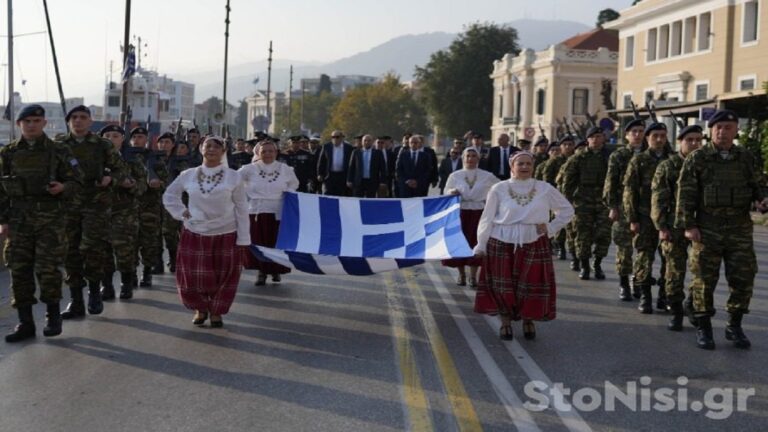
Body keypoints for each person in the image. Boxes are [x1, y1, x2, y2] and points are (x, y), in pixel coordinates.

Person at [676, 110, 768, 350]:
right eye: (718, 127)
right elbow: (685, 194)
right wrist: (689, 225)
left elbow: (758, 185)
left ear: (736, 130)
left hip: (740, 229)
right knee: (704, 280)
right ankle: (704, 327)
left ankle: (734, 325)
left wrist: (762, 200)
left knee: (743, 277)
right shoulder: (698, 159)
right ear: (711, 130)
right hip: (708, 229)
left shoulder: (746, 158)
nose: (722, 132)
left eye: (728, 127)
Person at [1, 105, 83, 342]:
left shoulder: (59, 151)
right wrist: (3, 220)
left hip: (50, 220)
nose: (32, 125)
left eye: (36, 120)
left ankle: (52, 317)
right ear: (19, 125)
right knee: (19, 270)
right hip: (19, 221)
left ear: (44, 123)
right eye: (27, 121)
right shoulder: (7, 153)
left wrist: (63, 187)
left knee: (48, 269)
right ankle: (25, 323)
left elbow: (78, 182)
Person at [474, 151, 573, 340]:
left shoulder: (544, 188)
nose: (525, 167)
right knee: (504, 286)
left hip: (534, 242)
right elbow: (486, 218)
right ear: (512, 166)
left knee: (530, 285)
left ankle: (529, 319)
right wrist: (481, 244)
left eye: (528, 164)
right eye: (521, 164)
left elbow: (567, 210)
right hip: (502, 242)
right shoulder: (499, 188)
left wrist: (551, 227)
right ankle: (506, 323)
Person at [163, 136, 250, 328]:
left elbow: (242, 208)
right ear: (201, 149)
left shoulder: (233, 176)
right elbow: (170, 195)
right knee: (194, 275)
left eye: (216, 147)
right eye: (207, 146)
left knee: (223, 274)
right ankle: (200, 308)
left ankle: (217, 311)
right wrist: (181, 212)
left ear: (223, 151)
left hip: (226, 232)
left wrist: (244, 238)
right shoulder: (188, 174)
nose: (211, 149)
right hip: (195, 230)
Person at [59, 105, 126, 320]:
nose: (78, 121)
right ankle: (76, 299)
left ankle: (94, 292)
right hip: (68, 205)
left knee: (92, 249)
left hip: (96, 205)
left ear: (90, 122)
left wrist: (111, 179)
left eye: (83, 117)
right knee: (71, 252)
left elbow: (120, 169)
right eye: (74, 117)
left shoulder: (102, 145)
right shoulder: (59, 145)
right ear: (69, 121)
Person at [651, 124, 702, 331]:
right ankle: (676, 311)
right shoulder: (668, 166)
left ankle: (692, 303)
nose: (694, 144)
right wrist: (661, 226)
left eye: (698, 140)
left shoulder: (706, 163)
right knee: (674, 270)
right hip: (673, 226)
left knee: (701, 270)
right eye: (690, 140)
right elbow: (658, 198)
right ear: (681, 141)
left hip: (701, 225)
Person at [623, 121, 672, 314]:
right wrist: (632, 218)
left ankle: (664, 295)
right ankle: (645, 296)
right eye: (655, 136)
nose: (659, 139)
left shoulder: (672, 159)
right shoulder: (639, 160)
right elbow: (630, 191)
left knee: (669, 259)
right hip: (644, 216)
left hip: (668, 216)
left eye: (662, 136)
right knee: (644, 257)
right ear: (648, 138)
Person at [239, 140, 299, 285]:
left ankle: (276, 269)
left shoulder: (284, 169)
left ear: (276, 152)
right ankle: (262, 271)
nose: (267, 154)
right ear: (258, 153)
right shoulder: (249, 169)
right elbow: (234, 180)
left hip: (278, 211)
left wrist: (288, 194)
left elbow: (294, 183)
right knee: (260, 242)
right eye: (264, 151)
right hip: (257, 210)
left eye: (270, 151)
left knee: (276, 242)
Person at [101, 124, 147, 300]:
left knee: (124, 250)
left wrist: (132, 185)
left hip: (124, 211)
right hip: (101, 211)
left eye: (115, 136)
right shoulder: (97, 158)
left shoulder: (133, 159)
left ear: (122, 139)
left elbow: (143, 185)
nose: (111, 139)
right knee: (103, 251)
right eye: (107, 135)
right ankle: (106, 286)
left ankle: (126, 283)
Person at [441, 148, 498, 287]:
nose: (470, 159)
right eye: (467, 156)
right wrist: (451, 192)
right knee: (461, 243)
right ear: (463, 158)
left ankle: (473, 276)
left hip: (479, 212)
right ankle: (461, 275)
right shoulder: (455, 175)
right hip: (460, 213)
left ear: (478, 159)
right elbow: (445, 191)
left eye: (473, 156)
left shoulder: (487, 176)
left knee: (476, 243)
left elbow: (500, 189)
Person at [603, 116, 646, 301]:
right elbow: (610, 183)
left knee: (644, 249)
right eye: (633, 132)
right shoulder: (618, 156)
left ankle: (637, 281)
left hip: (646, 207)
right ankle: (623, 283)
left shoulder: (652, 154)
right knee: (624, 247)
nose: (637, 135)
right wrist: (612, 206)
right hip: (623, 206)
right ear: (627, 135)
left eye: (641, 132)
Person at [561, 127, 611, 280]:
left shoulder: (609, 157)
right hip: (583, 201)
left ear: (603, 138)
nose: (595, 139)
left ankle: (597, 263)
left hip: (604, 201)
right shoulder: (578, 158)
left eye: (599, 136)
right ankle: (584, 265)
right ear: (587, 139)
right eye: (592, 137)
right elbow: (567, 182)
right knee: (582, 234)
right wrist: (567, 202)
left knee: (604, 235)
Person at [130, 127, 169, 288]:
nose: (138, 140)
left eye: (141, 137)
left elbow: (166, 182)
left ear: (146, 140)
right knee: (129, 243)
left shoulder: (154, 159)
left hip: (150, 207)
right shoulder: (125, 158)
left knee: (148, 242)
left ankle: (147, 272)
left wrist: (158, 183)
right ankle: (130, 274)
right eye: (135, 137)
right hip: (129, 207)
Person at [316, 130, 354, 196]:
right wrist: (319, 174)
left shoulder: (349, 148)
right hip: (330, 176)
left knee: (342, 195)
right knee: (328, 195)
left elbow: (352, 163)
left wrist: (350, 178)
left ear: (342, 138)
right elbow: (321, 161)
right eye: (333, 137)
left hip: (343, 176)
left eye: (337, 137)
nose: (335, 139)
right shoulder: (326, 147)